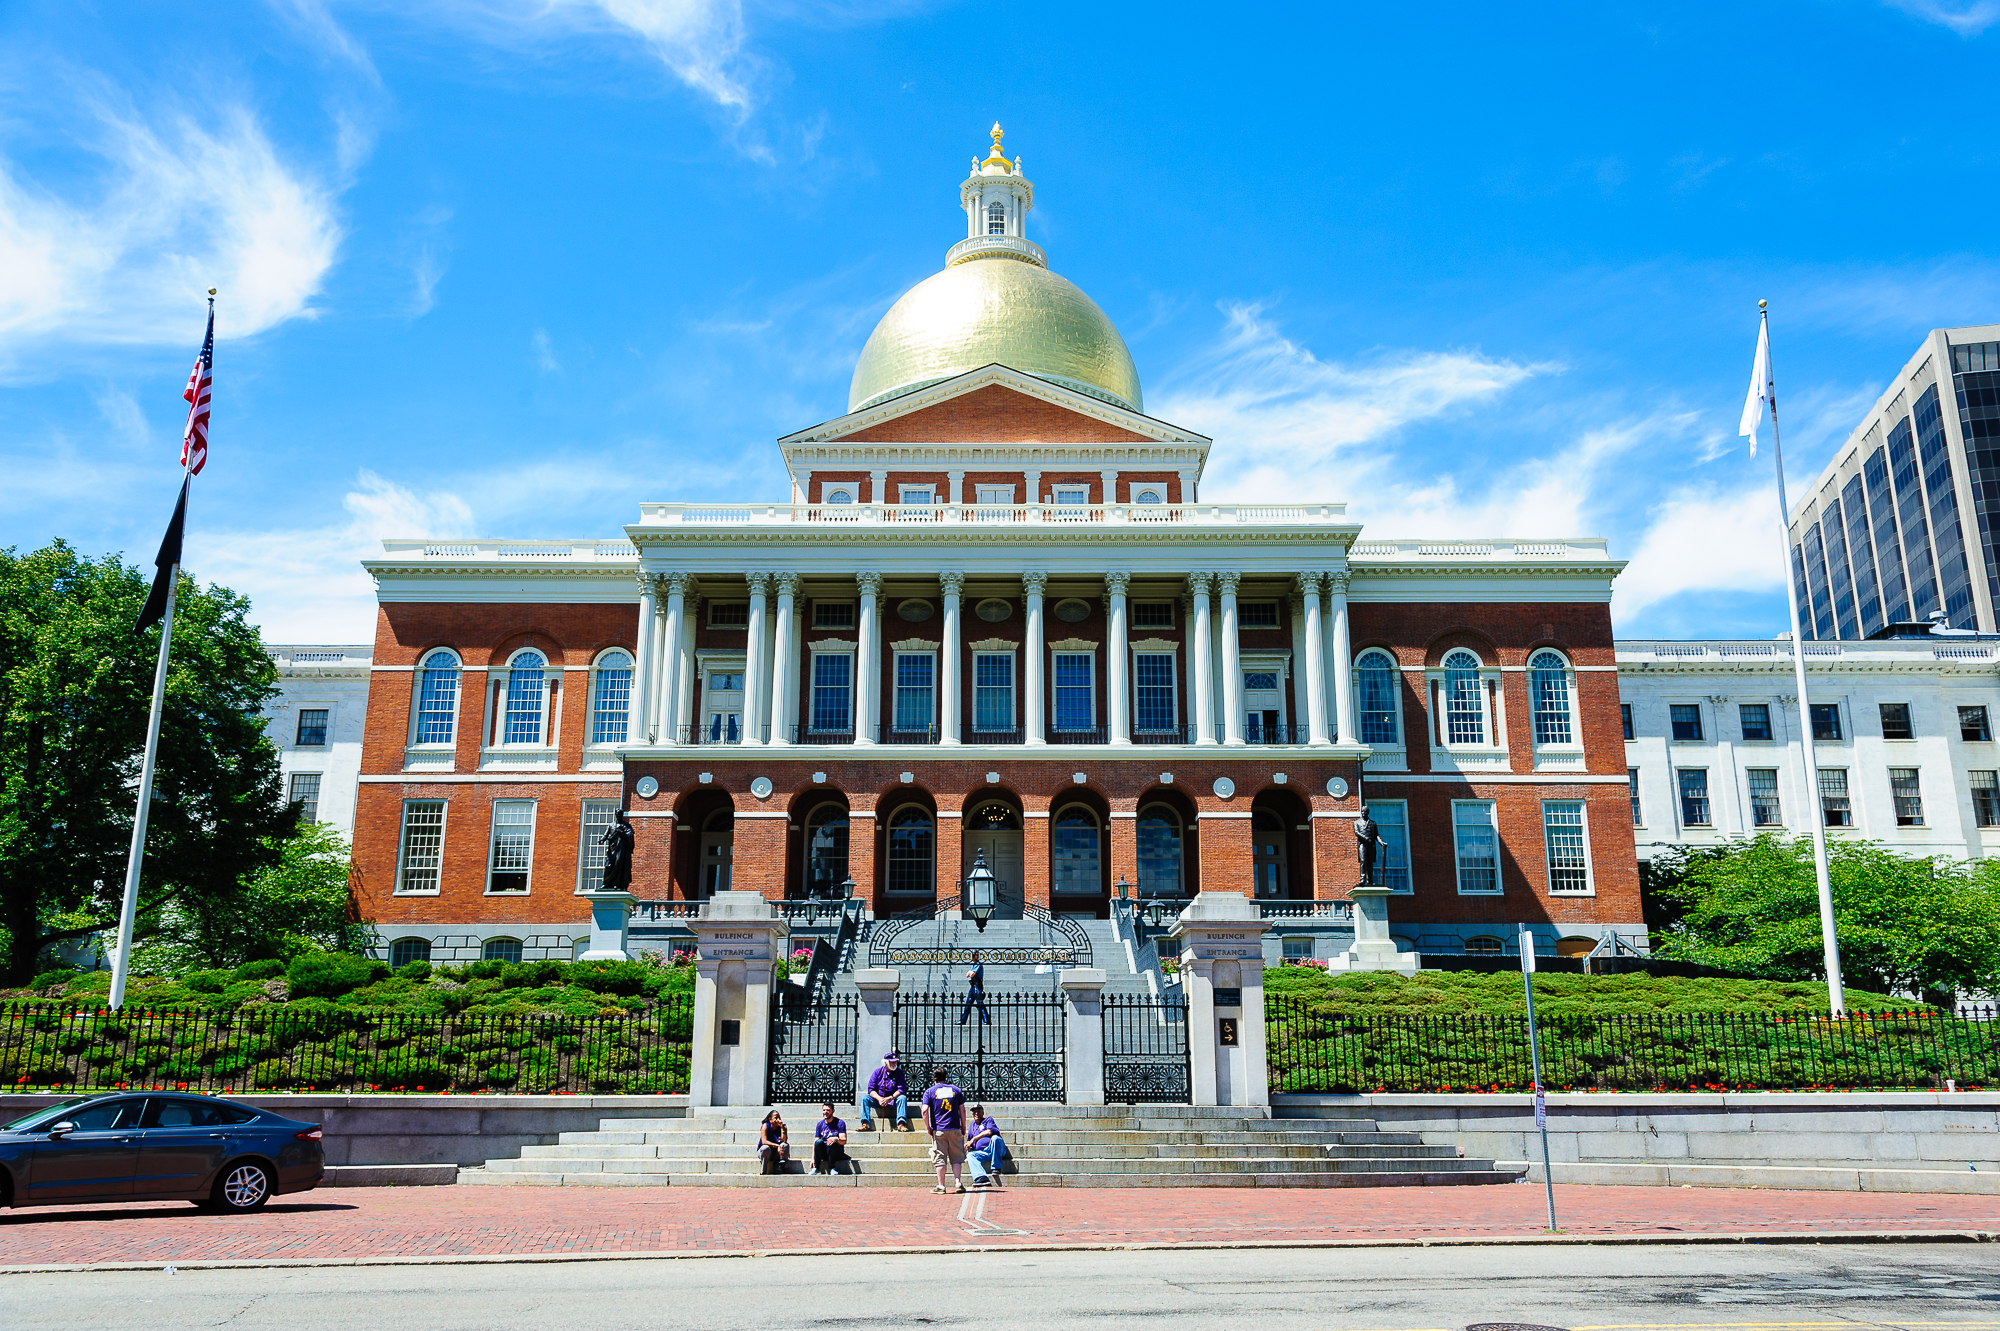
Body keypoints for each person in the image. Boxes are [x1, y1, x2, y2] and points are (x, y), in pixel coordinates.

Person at [921, 1065, 968, 1194]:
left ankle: (941, 1186)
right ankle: (958, 1182)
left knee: (940, 1157)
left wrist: (928, 1127)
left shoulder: (929, 1092)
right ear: (946, 1077)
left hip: (939, 1128)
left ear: (933, 1078)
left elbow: (924, 1111)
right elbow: (962, 1109)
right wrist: (963, 1126)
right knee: (957, 1156)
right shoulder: (956, 1090)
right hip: (955, 1127)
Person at [859, 1051, 910, 1131]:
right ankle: (865, 1123)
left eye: (895, 1062)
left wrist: (890, 1098)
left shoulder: (899, 1072)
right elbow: (871, 1089)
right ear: (886, 1063)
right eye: (892, 1062)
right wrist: (879, 1099)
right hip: (878, 1099)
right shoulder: (877, 1072)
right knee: (865, 1098)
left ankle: (901, 1123)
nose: (894, 1064)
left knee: (902, 1098)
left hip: (892, 1099)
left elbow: (901, 1089)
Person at [966, 1103, 1009, 1189]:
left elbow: (989, 1131)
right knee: (970, 1155)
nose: (976, 1114)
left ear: (983, 1112)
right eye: (974, 1112)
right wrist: (968, 1146)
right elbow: (969, 1140)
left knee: (995, 1138)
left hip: (995, 1148)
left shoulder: (988, 1120)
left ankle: (996, 1167)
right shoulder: (972, 1125)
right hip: (983, 1153)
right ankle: (981, 1177)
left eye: (978, 1111)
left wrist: (974, 1139)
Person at [812, 1102, 849, 1175]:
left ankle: (832, 1168)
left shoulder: (840, 1123)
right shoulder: (820, 1124)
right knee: (819, 1142)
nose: (825, 1112)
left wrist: (836, 1139)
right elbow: (815, 1142)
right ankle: (816, 1168)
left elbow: (844, 1140)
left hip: (836, 1152)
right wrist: (812, 1159)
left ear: (833, 1111)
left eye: (828, 1110)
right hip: (824, 1152)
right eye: (824, 1110)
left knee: (832, 1142)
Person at [958, 951, 989, 1026]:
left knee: (980, 1003)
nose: (972, 957)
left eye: (974, 955)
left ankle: (986, 1020)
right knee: (968, 1003)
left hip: (977, 986)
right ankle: (963, 1020)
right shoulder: (973, 965)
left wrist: (970, 972)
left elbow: (972, 974)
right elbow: (967, 975)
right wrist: (969, 973)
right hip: (973, 986)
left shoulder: (978, 965)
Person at [757, 1110, 790, 1175]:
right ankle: (764, 1170)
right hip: (766, 1152)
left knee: (785, 1145)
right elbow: (764, 1141)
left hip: (776, 1152)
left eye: (779, 1118)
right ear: (770, 1119)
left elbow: (784, 1140)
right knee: (765, 1148)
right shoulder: (765, 1126)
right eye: (775, 1118)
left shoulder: (783, 1127)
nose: (778, 1120)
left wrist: (782, 1129)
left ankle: (780, 1166)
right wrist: (777, 1146)